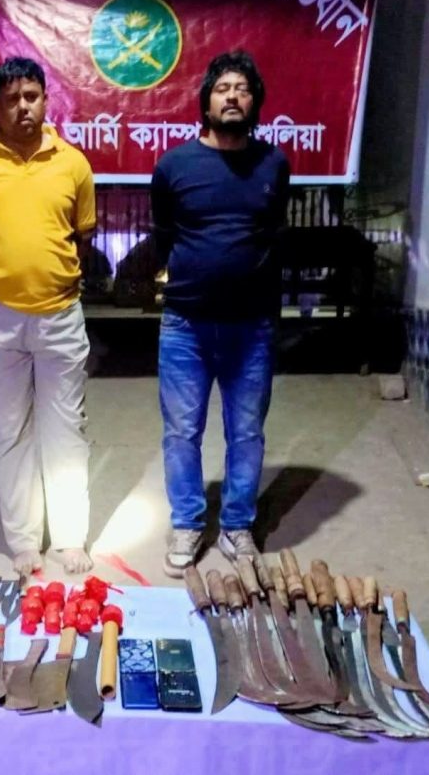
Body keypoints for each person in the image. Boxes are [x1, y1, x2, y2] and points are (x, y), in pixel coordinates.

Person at [0, 56, 96, 575]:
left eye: (31, 97)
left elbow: (83, 234)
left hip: (60, 314)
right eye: (12, 99)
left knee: (65, 429)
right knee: (10, 429)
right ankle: (25, 541)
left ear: (46, 100)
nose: (23, 107)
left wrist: (47, 273)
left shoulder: (73, 163)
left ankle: (69, 538)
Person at [150, 50, 291, 578]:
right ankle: (188, 523)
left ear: (255, 103)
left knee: (247, 432)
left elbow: (273, 233)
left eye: (243, 89)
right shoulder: (174, 166)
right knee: (181, 431)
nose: (233, 96)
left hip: (251, 327)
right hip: (185, 325)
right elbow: (164, 234)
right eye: (222, 88)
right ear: (206, 102)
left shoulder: (274, 164)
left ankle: (236, 525)